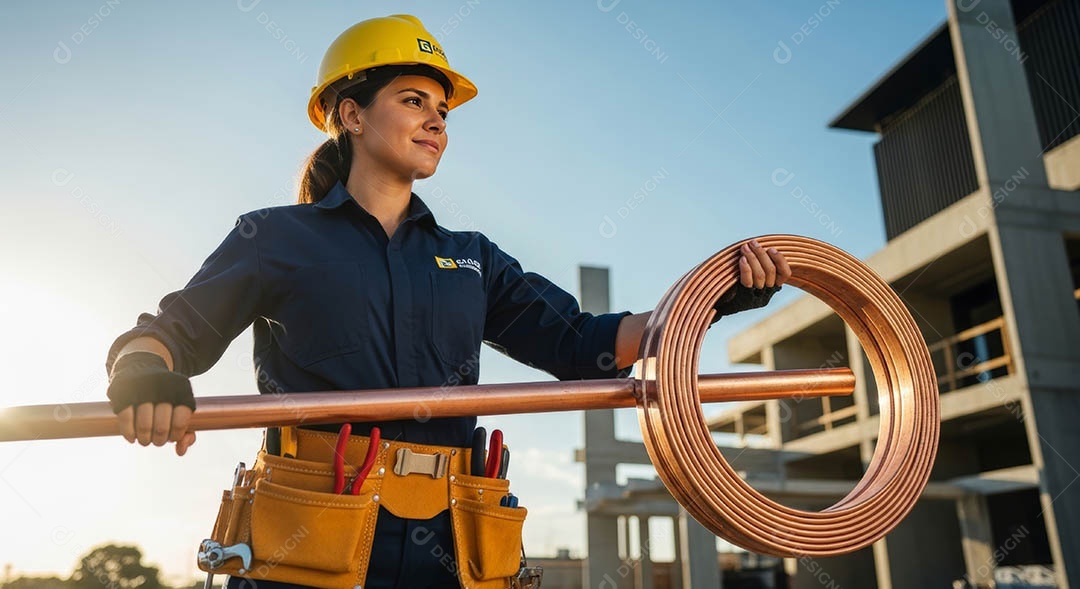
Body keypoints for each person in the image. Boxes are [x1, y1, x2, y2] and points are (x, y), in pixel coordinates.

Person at [103, 14, 791, 589]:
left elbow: (583, 343)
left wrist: (712, 297)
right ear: (351, 114)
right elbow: (168, 335)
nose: (436, 121)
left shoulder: (474, 258)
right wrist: (142, 373)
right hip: (312, 546)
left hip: (451, 546)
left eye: (441, 109)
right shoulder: (274, 237)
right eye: (412, 100)